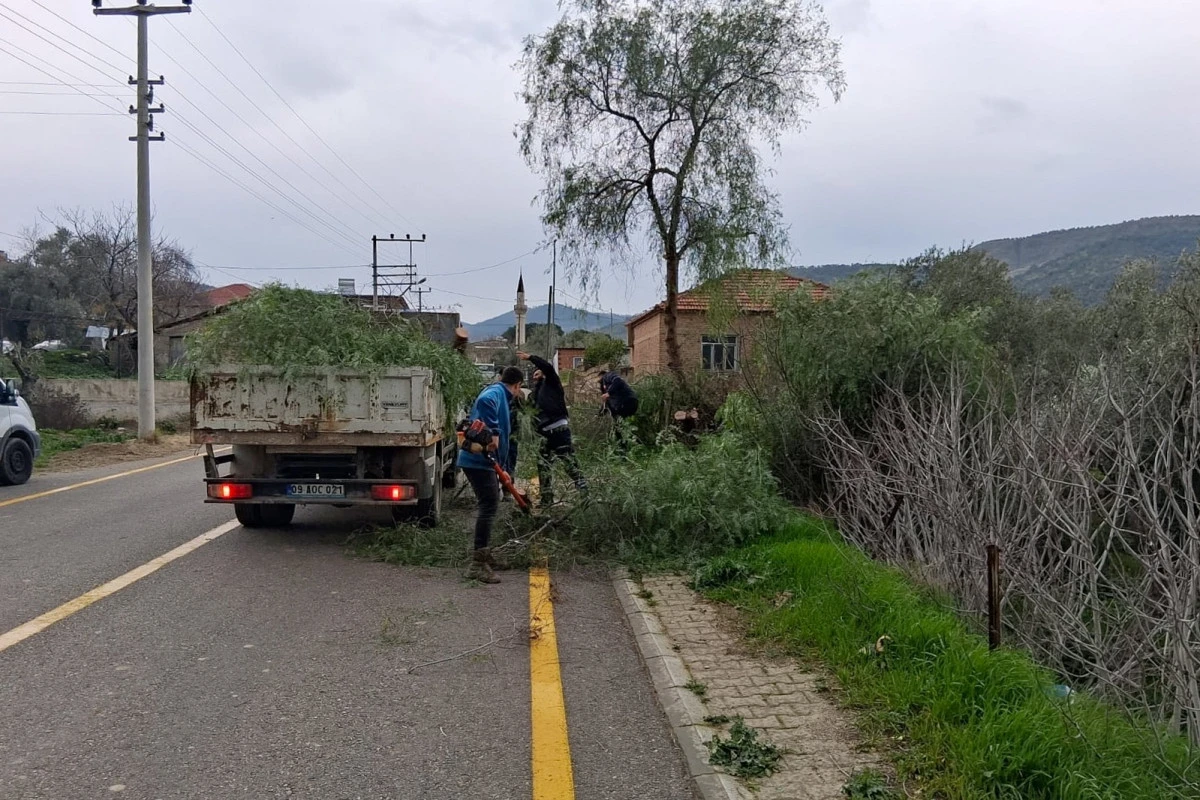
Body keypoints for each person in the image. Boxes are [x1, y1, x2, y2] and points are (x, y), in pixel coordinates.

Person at [456, 366, 525, 583]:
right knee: (488, 506)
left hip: (487, 462)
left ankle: (486, 556)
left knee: (490, 505)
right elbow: (486, 403)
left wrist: (502, 469)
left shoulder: (501, 394)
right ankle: (477, 565)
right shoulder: (494, 394)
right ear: (517, 385)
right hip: (477, 462)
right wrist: (493, 431)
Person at [518, 351, 588, 507]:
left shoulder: (552, 383)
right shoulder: (534, 395)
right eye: (534, 374)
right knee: (543, 466)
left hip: (558, 431)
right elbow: (527, 412)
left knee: (569, 462)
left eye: (538, 372)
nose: (536, 375)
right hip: (542, 435)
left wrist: (531, 357)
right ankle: (546, 500)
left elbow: (548, 368)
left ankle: (585, 494)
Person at [599, 369, 639, 451]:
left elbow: (618, 381)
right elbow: (606, 405)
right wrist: (599, 414)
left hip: (626, 402)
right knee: (618, 426)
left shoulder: (607, 376)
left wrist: (608, 393)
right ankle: (625, 448)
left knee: (618, 424)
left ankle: (625, 447)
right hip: (629, 404)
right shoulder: (606, 389)